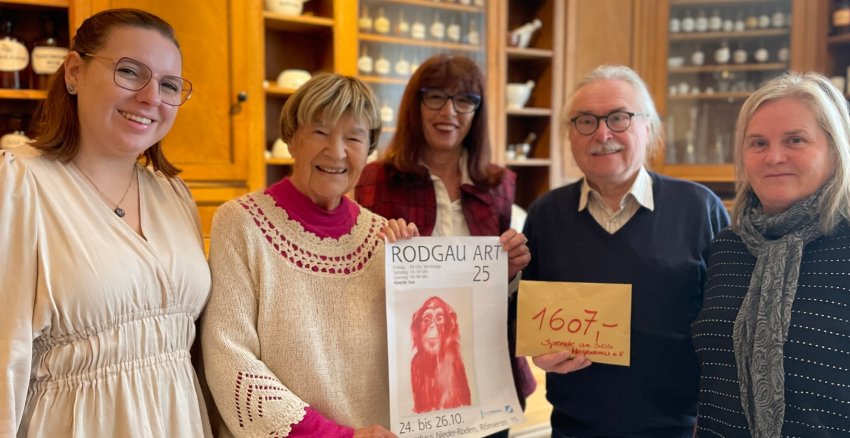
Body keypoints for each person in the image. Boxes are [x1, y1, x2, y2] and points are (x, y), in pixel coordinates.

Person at [0, 9, 210, 437]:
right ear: (74, 72)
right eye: (130, 72)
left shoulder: (174, 196)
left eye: (169, 85)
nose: (151, 97)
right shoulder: (18, 183)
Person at [692, 72, 850, 437]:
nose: (774, 157)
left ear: (836, 149)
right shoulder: (728, 249)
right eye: (758, 143)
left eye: (795, 140)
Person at [522, 65, 729, 437]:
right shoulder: (545, 215)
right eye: (586, 120)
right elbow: (528, 315)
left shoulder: (700, 208)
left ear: (648, 128)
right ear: (570, 135)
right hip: (572, 429)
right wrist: (540, 352)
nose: (602, 134)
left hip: (680, 431)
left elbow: (730, 325)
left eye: (619, 118)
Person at [202, 73, 409, 438]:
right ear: (292, 139)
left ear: (369, 149)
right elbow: (229, 360)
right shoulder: (240, 224)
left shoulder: (385, 239)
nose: (337, 151)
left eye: (354, 137)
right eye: (320, 132)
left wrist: (415, 282)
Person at [353, 53, 536, 425]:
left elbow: (503, 293)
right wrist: (382, 254)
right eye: (435, 96)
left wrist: (510, 271)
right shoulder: (375, 180)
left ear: (477, 112)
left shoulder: (499, 184)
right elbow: (357, 281)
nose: (449, 111)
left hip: (486, 374)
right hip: (404, 380)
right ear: (415, 105)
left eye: (464, 100)